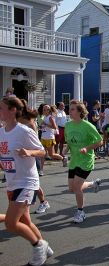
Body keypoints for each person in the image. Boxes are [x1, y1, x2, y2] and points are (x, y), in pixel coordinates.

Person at [0, 97, 53, 265]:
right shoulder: (1, 131)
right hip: (12, 181)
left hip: (27, 182)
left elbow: (42, 151)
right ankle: (46, 248)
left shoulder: (23, 131)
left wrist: (29, 153)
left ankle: (39, 247)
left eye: (1, 108)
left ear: (12, 110)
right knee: (25, 222)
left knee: (10, 224)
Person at [64, 100, 103, 223]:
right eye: (69, 109)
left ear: (80, 111)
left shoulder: (88, 126)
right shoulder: (68, 125)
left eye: (72, 109)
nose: (69, 111)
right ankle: (92, 183)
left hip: (86, 160)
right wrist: (65, 151)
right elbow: (69, 142)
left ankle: (80, 212)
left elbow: (100, 141)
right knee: (71, 188)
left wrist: (87, 148)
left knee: (76, 187)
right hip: (74, 160)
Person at [17, 100, 51, 215]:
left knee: (34, 184)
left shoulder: (30, 123)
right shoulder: (17, 122)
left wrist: (28, 152)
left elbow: (37, 147)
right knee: (25, 184)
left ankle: (43, 202)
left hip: (32, 156)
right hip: (20, 157)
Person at [40, 105, 64, 176]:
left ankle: (63, 158)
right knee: (42, 154)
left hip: (50, 137)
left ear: (49, 111)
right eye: (43, 109)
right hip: (43, 137)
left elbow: (54, 127)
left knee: (51, 155)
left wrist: (46, 125)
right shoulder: (44, 117)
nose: (44, 111)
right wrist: (41, 127)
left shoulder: (50, 117)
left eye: (46, 109)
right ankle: (41, 170)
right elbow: (43, 127)